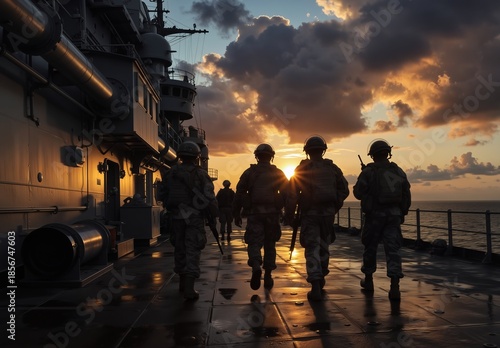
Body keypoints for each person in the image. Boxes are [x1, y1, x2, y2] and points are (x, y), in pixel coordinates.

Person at [287, 136, 349, 301]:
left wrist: (290, 215)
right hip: (328, 215)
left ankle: (315, 283)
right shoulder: (332, 168)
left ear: (307, 151)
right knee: (324, 245)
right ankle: (322, 274)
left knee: (312, 247)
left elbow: (292, 194)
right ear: (323, 150)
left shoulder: (302, 168)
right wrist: (334, 207)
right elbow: (344, 189)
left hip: (310, 214)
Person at [353, 139, 411, 301]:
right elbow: (406, 194)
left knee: (370, 247)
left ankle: (369, 280)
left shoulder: (369, 172)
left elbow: (357, 193)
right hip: (393, 215)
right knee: (393, 250)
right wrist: (402, 213)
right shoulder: (398, 171)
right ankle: (394, 287)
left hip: (374, 216)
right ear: (388, 153)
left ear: (372, 155)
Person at [162, 141, 218, 300]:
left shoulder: (170, 173)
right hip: (193, 217)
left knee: (179, 247)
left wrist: (172, 208)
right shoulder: (200, 174)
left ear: (179, 156)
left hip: (176, 216)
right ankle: (189, 288)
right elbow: (209, 196)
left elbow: (161, 194)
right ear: (196, 157)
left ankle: (181, 282)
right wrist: (214, 214)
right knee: (192, 249)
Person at [233, 144, 288, 290]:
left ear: (257, 156)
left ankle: (256, 265)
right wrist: (287, 212)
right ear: (271, 156)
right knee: (270, 244)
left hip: (255, 213)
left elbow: (239, 192)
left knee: (254, 242)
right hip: (272, 214)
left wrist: (236, 213)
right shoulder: (278, 173)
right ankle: (268, 275)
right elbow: (288, 192)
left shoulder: (249, 173)